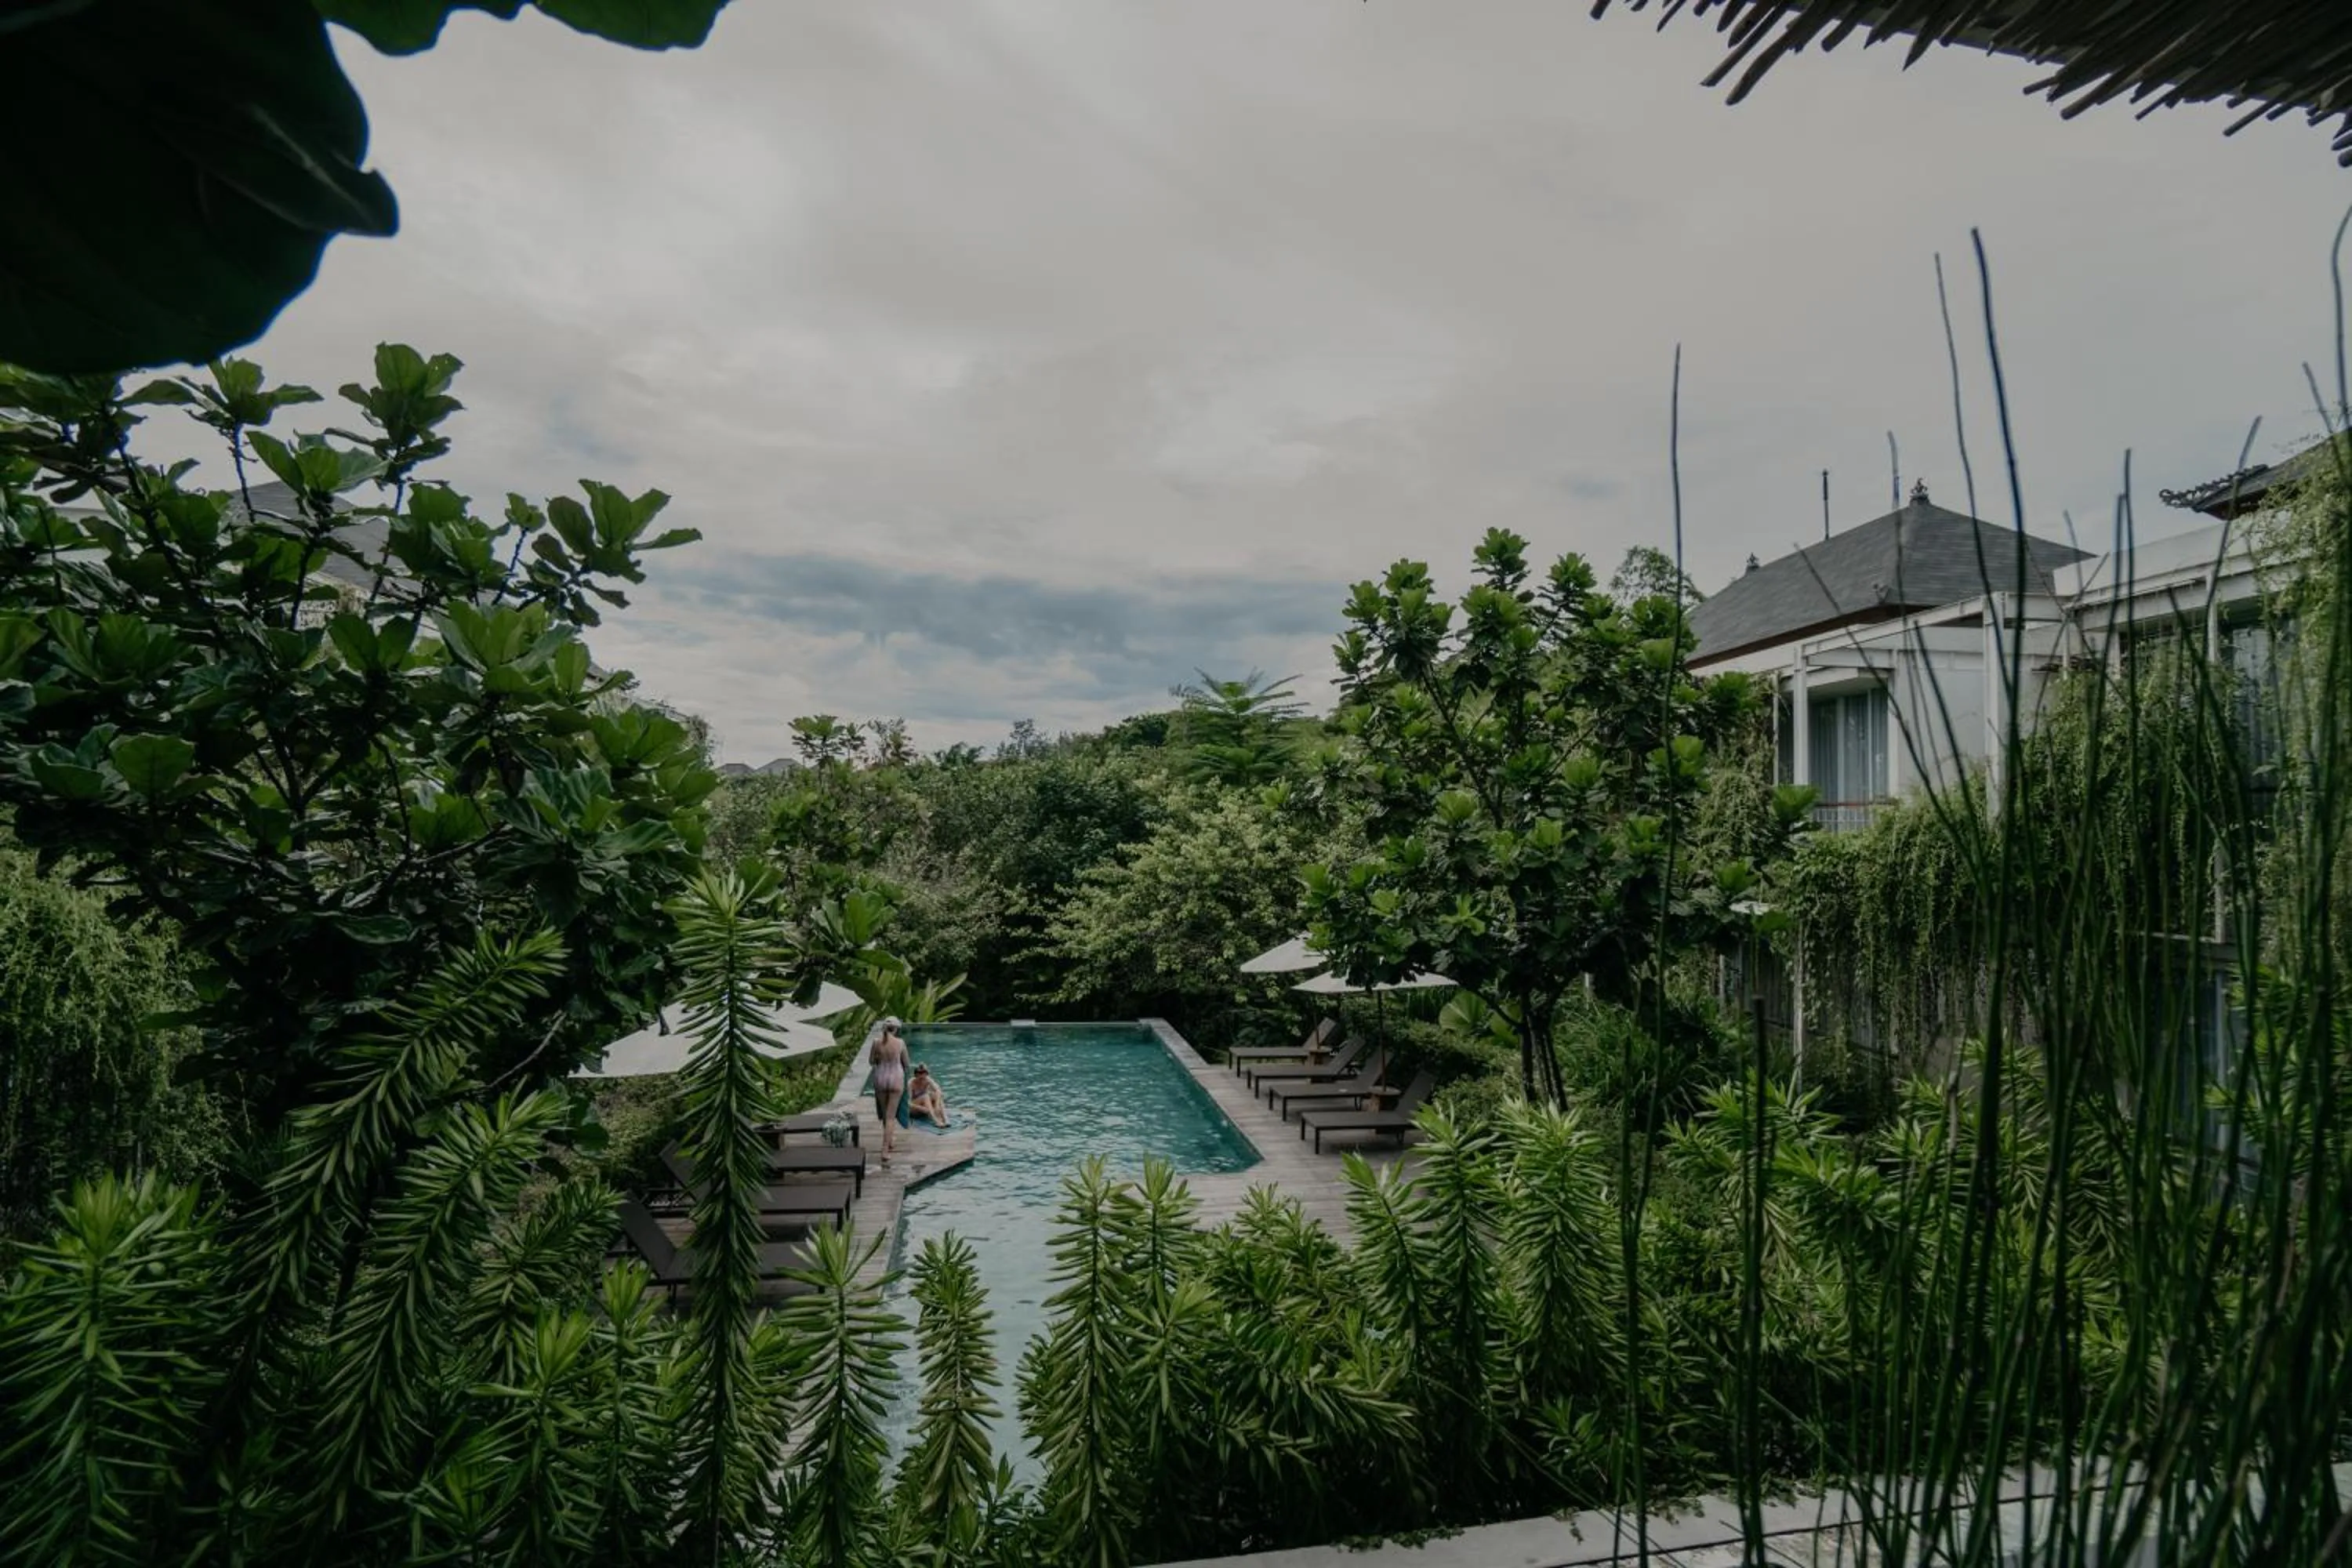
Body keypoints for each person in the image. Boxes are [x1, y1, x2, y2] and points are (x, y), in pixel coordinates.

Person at [869, 1017, 910, 1161]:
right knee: (891, 1116)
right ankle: (885, 1150)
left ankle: (890, 1142)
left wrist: (880, 1059)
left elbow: (871, 1062)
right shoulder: (900, 1043)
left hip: (880, 1078)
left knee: (886, 1114)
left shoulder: (876, 1042)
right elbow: (906, 1064)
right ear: (896, 1029)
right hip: (896, 1079)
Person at [907, 1062, 949, 1126]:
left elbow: (938, 1091)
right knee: (925, 1096)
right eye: (920, 1074)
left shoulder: (928, 1080)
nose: (922, 1077)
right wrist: (922, 1109)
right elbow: (908, 1103)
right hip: (913, 1110)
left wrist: (937, 1105)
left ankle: (945, 1119)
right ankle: (936, 1121)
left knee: (935, 1095)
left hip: (926, 1108)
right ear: (916, 1075)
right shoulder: (911, 1083)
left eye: (924, 1074)